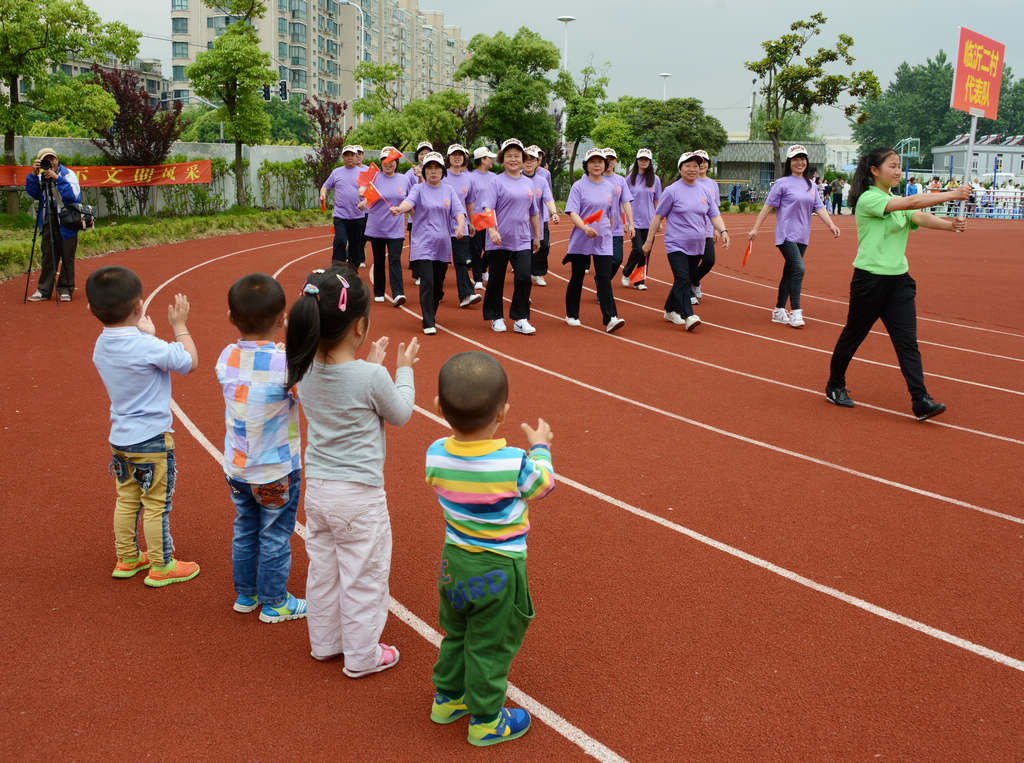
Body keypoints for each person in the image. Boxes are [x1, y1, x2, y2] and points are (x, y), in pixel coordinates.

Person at [285, 264, 418, 677]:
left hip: (320, 493)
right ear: (360, 327)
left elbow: (343, 381)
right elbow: (399, 413)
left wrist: (372, 365)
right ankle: (363, 657)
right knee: (364, 577)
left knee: (324, 572)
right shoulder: (372, 376)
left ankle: (325, 644)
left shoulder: (302, 369)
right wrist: (403, 369)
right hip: (360, 497)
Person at [425, 351, 554, 747]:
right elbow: (543, 486)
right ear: (502, 414)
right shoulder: (514, 462)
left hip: (455, 562)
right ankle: (486, 719)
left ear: (437, 408)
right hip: (500, 567)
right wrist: (540, 448)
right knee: (490, 645)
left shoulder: (435, 453)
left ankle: (447, 698)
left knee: (457, 632)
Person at [825, 147, 972, 420]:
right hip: (869, 280)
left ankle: (920, 399)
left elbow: (917, 216)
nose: (897, 171)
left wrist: (949, 224)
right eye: (892, 166)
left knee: (907, 342)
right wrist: (952, 194)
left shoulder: (895, 199)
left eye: (899, 166)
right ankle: (835, 385)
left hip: (899, 282)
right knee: (854, 335)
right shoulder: (870, 199)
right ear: (874, 170)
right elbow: (911, 205)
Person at [86, 266, 200, 587]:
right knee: (156, 504)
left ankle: (127, 557)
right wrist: (179, 327)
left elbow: (133, 355)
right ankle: (162, 564)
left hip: (120, 439)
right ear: (139, 307)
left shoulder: (101, 346)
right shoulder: (146, 347)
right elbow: (188, 361)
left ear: (92, 309)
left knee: (127, 498)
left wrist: (145, 335)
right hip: (151, 440)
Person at [216, 273, 306, 622]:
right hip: (276, 470)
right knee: (275, 535)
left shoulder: (227, 356)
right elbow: (303, 394)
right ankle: (275, 601)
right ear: (282, 320)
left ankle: (246, 594)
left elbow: (238, 373)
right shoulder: (288, 366)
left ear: (230, 319)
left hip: (237, 468)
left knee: (245, 527)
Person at [747, 144, 841, 328]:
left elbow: (819, 207)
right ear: (789, 162)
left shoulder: (811, 185)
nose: (799, 163)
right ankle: (796, 311)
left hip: (802, 235)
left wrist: (831, 224)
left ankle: (779, 310)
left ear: (807, 162)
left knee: (790, 272)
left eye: (802, 159)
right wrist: (755, 228)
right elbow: (767, 207)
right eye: (796, 159)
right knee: (799, 269)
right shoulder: (782, 184)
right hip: (785, 235)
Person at [642, 152, 731, 331]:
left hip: (697, 245)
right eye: (688, 166)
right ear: (680, 168)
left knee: (683, 280)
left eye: (696, 166)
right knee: (682, 278)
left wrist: (723, 230)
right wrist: (648, 242)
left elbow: (714, 215)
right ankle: (688, 315)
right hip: (676, 244)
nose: (692, 169)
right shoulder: (672, 191)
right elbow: (657, 217)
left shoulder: (705, 190)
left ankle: (669, 309)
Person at [389, 152, 466, 335]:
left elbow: (459, 212)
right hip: (423, 243)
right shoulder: (419, 189)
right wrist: (400, 209)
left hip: (443, 245)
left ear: (442, 171)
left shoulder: (448, 190)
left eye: (437, 168)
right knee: (428, 282)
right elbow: (408, 203)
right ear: (424, 171)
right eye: (429, 168)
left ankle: (431, 311)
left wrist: (460, 226)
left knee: (438, 288)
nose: (433, 172)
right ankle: (428, 321)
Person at [478, 138, 542, 335]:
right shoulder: (495, 182)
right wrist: (492, 231)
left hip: (522, 239)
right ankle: (496, 316)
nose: (513, 159)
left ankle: (520, 318)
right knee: (496, 279)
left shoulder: (528, 184)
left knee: (523, 277)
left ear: (523, 160)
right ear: (502, 159)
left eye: (517, 156)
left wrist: (537, 237)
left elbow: (534, 213)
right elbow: (487, 208)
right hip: (498, 240)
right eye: (509, 156)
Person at [562, 148, 625, 333]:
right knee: (577, 276)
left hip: (603, 239)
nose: (597, 165)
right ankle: (571, 314)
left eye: (600, 162)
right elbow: (572, 212)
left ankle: (610, 317)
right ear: (587, 165)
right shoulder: (578, 186)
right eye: (593, 162)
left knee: (604, 278)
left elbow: (612, 213)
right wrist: (584, 228)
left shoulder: (610, 187)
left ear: (605, 165)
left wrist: (609, 232)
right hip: (582, 237)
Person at [26, 148, 82, 302]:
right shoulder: (40, 176)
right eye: (46, 159)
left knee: (67, 256)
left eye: (52, 158)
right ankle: (43, 290)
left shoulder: (68, 174)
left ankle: (66, 289)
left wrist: (57, 178)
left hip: (67, 221)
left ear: (57, 159)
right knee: (48, 256)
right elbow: (33, 193)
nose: (50, 162)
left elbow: (73, 197)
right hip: (48, 220)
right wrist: (33, 175)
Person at [363, 146, 410, 307]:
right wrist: (362, 197)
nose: (388, 164)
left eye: (391, 161)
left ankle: (398, 293)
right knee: (378, 260)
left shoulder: (404, 179)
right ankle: (378, 291)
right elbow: (363, 190)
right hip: (377, 226)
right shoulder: (374, 177)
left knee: (395, 259)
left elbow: (411, 199)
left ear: (396, 162)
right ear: (381, 162)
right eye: (385, 161)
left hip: (395, 228)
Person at [445, 144, 481, 308]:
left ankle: (466, 294)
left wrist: (471, 222)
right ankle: (436, 292)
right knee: (439, 264)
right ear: (448, 158)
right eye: (454, 155)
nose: (457, 157)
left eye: (460, 155)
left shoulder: (468, 178)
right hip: (442, 227)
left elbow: (469, 202)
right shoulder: (442, 176)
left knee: (460, 261)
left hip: (461, 227)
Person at [622, 148, 662, 291]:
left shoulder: (655, 179)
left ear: (650, 162)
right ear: (637, 161)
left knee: (646, 251)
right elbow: (624, 201)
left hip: (650, 221)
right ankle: (627, 272)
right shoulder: (629, 179)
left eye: (646, 159)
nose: (644, 162)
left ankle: (639, 280)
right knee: (638, 249)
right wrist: (626, 222)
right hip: (635, 221)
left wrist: (659, 221)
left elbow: (657, 200)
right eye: (641, 159)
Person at [320, 145, 365, 267]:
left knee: (355, 244)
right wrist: (323, 194)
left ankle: (353, 268)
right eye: (347, 155)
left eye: (352, 155)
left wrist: (365, 202)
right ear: (343, 157)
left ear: (357, 157)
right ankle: (337, 266)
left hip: (357, 216)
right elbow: (326, 186)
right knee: (340, 240)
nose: (350, 158)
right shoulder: (336, 172)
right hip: (340, 215)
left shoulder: (364, 173)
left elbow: (373, 192)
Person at [523, 145, 560, 287]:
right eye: (526, 159)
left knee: (543, 246)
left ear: (538, 161)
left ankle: (538, 272)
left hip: (540, 218)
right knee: (524, 250)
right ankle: (525, 274)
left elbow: (548, 197)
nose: (529, 162)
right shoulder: (516, 176)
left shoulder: (543, 178)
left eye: (533, 159)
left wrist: (554, 212)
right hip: (521, 222)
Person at [466, 146, 497, 290]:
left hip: (490, 217)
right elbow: (468, 199)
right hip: (476, 217)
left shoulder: (495, 177)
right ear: (482, 160)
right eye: (489, 157)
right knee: (476, 249)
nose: (492, 160)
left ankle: (484, 268)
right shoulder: (470, 177)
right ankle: (478, 277)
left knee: (491, 250)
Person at [690, 150, 719, 304]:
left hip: (707, 231)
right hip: (692, 230)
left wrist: (716, 229)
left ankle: (694, 281)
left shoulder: (712, 184)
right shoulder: (690, 181)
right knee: (692, 261)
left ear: (708, 164)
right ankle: (689, 292)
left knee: (709, 261)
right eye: (698, 162)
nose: (702, 165)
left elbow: (716, 209)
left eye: (705, 162)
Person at [601, 148, 634, 280]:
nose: (609, 161)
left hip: (616, 229)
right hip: (598, 228)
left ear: (615, 161)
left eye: (612, 159)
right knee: (602, 261)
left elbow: (626, 202)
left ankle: (602, 281)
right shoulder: (593, 178)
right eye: (607, 158)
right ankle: (603, 287)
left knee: (617, 259)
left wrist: (630, 224)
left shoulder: (620, 180)